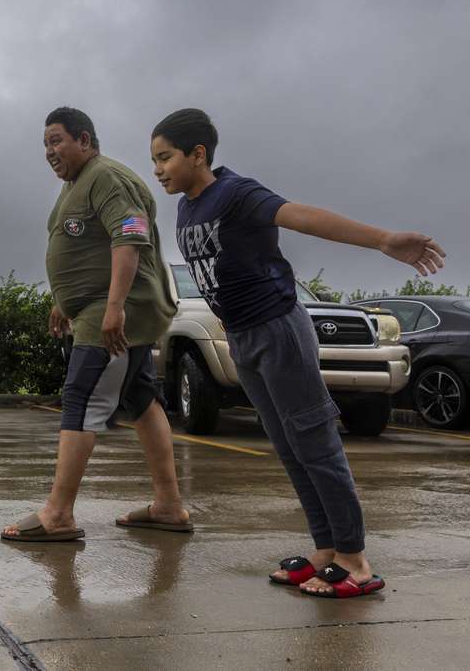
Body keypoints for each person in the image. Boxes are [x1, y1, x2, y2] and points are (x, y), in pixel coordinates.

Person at [149, 107, 446, 599]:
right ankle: (326, 549)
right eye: (154, 160)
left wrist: (384, 240)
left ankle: (355, 560)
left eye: (165, 158)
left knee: (314, 441)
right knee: (287, 446)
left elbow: (302, 217)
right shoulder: (188, 207)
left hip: (279, 328)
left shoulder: (236, 192)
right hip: (243, 337)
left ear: (197, 154)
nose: (158, 169)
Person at [1, 107, 191, 543]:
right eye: (45, 144)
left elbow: (130, 235)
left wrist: (115, 306)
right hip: (92, 308)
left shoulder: (107, 177)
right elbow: (80, 246)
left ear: (84, 140)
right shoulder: (76, 185)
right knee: (142, 399)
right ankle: (168, 506)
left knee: (81, 397)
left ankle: (59, 514)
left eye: (57, 141)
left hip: (114, 313)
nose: (50, 151)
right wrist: (61, 301)